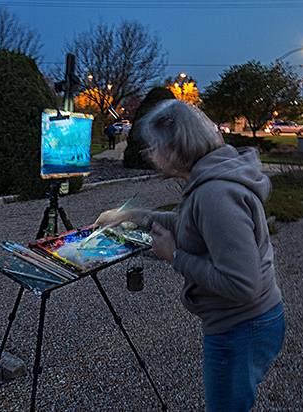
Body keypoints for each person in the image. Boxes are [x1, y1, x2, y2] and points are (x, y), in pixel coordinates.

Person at [95, 99, 285, 412]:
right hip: (250, 323)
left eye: (153, 147)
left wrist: (175, 257)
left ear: (174, 146)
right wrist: (137, 215)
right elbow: (191, 227)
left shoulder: (214, 194)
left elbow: (242, 284)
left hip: (241, 327)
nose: (151, 155)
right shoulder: (210, 177)